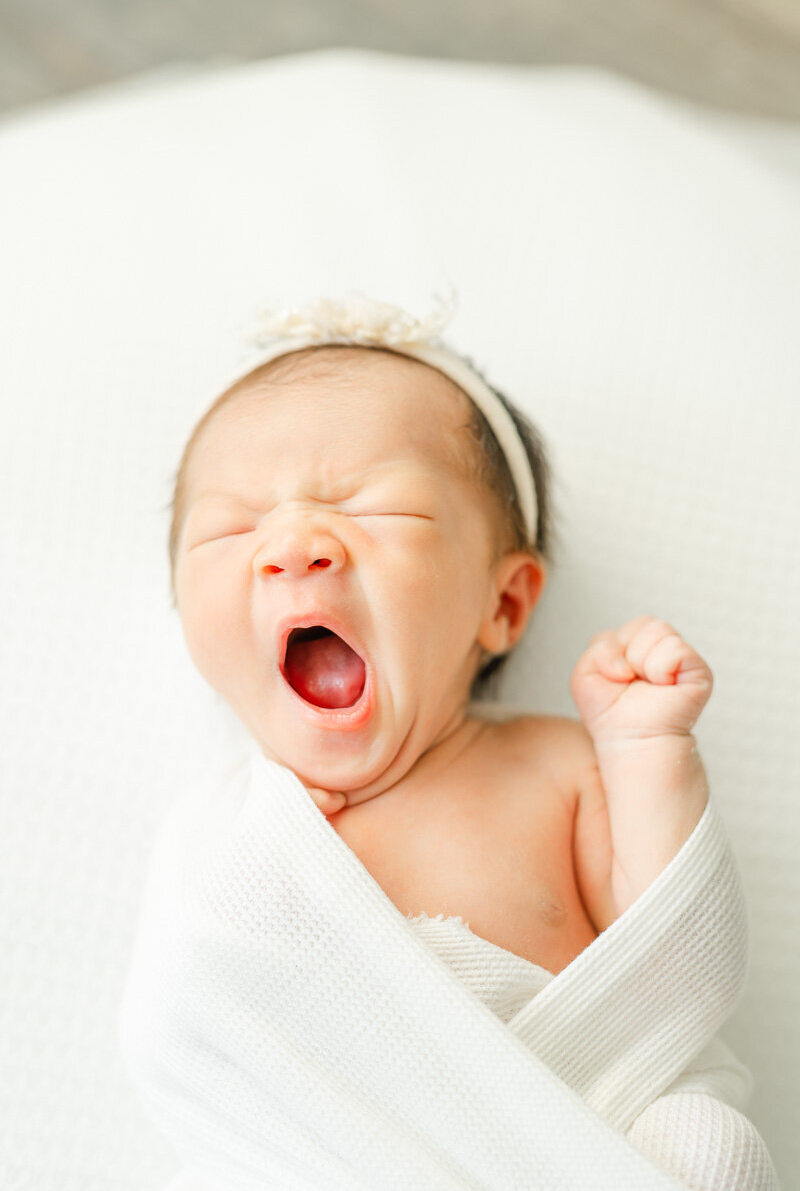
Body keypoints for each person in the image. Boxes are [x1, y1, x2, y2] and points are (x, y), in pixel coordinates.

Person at [166, 293, 711, 979]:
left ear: (504, 604)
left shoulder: (554, 770)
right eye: (232, 527)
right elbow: (185, 1024)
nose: (293, 544)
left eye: (373, 505)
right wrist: (252, 888)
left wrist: (649, 752)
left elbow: (677, 959)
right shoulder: (218, 834)